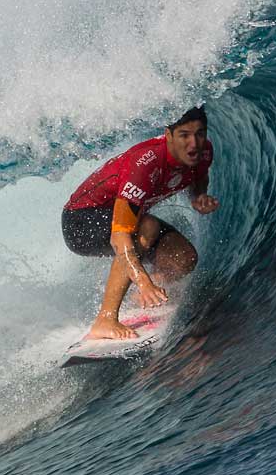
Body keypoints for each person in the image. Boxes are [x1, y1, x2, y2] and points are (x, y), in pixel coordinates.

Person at [62, 107, 218, 340]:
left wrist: (199, 196)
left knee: (184, 258)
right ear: (168, 136)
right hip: (81, 221)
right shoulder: (146, 164)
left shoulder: (203, 152)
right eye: (184, 135)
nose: (193, 143)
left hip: (124, 220)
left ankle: (143, 297)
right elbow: (119, 236)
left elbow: (197, 177)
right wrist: (143, 280)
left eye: (200, 133)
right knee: (147, 227)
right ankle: (105, 319)